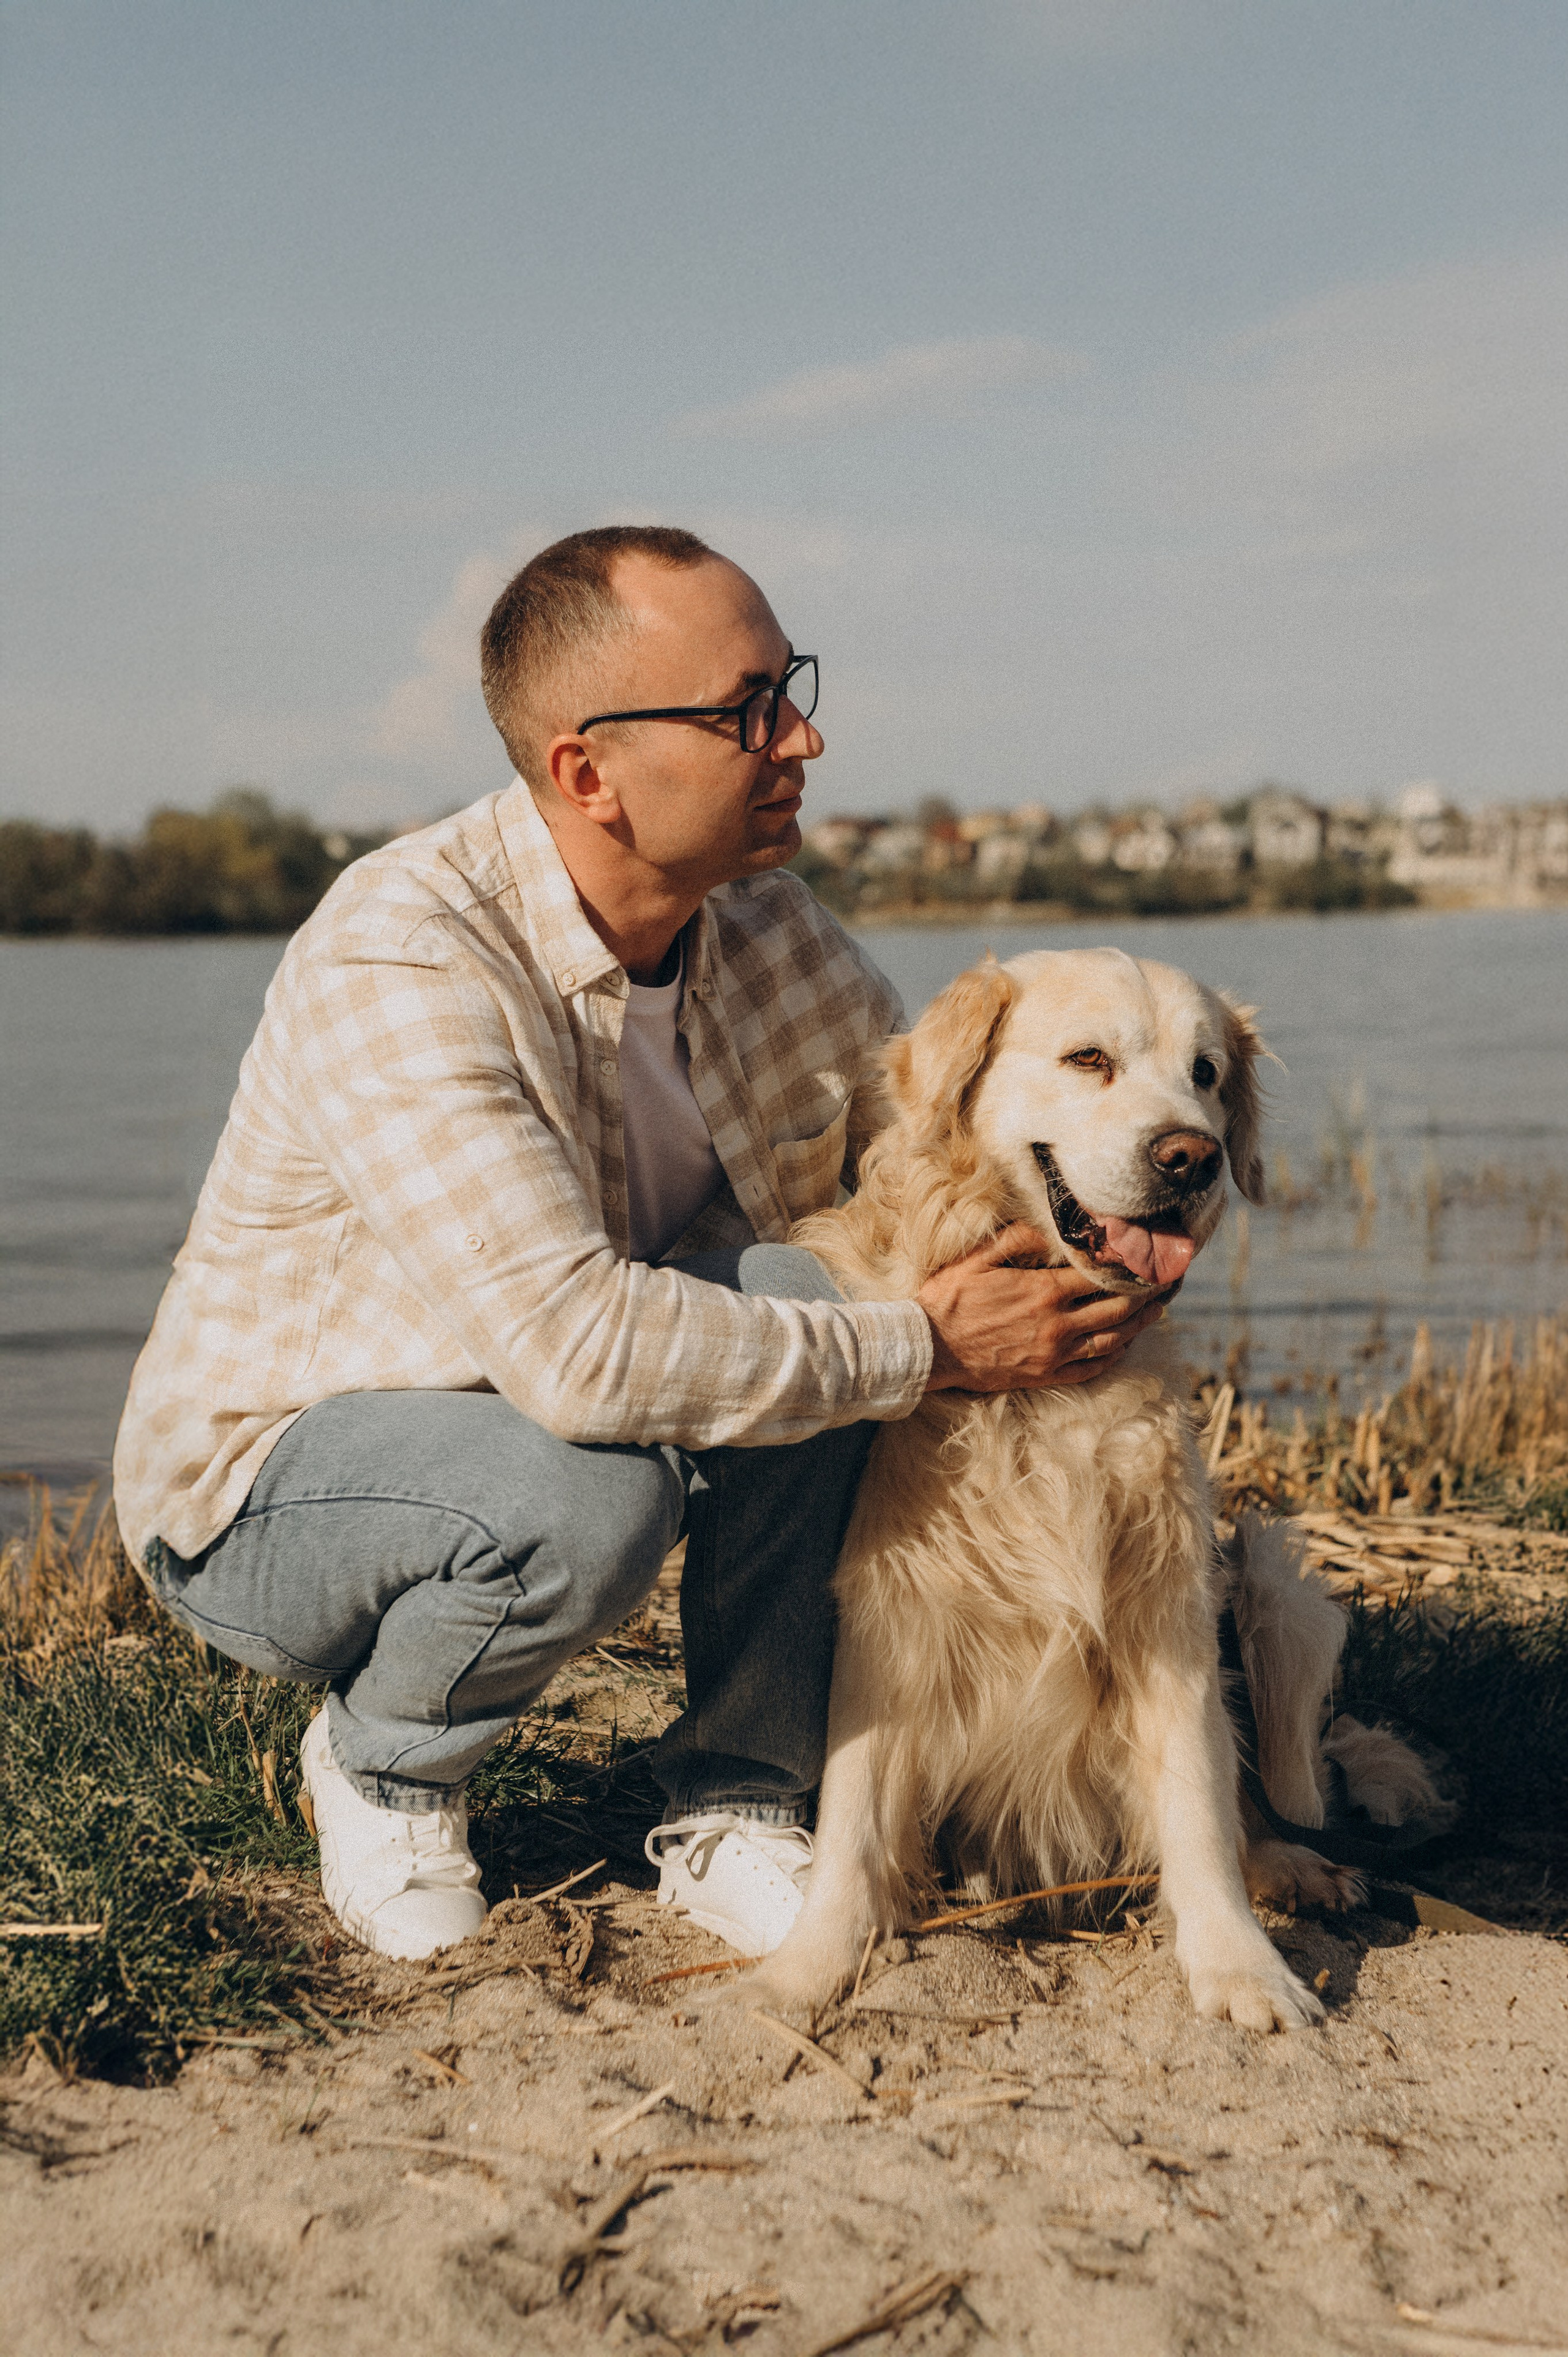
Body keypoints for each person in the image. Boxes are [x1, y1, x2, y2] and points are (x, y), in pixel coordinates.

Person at [113, 525, 1162, 1963]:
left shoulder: (773, 933)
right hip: (271, 1489)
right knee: (594, 1487)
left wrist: (1115, 1194)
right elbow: (580, 1356)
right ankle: (383, 1762)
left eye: (787, 684)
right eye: (745, 710)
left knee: (825, 1288)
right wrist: (925, 1345)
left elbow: (931, 1168)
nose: (802, 733)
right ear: (584, 773)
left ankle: (740, 1796)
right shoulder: (405, 955)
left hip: (550, 1410)